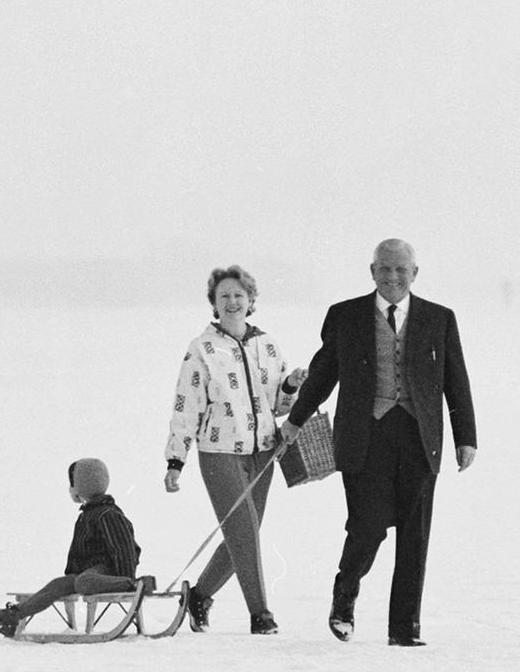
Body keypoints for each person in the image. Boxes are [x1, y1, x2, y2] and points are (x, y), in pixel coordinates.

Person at [284, 238, 477, 646]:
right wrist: (296, 421)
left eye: (401, 270)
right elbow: (322, 375)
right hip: (364, 436)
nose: (392, 277)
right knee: (367, 527)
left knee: (414, 535)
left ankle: (404, 630)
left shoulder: (440, 319)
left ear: (414, 274)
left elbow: (455, 382)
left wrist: (466, 437)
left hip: (421, 437)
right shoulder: (345, 315)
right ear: (372, 272)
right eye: (384, 269)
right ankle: (345, 593)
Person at [162, 264, 298, 634]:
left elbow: (279, 406)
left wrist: (291, 386)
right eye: (224, 296)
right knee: (244, 530)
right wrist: (176, 459)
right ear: (214, 304)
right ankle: (261, 615)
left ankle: (200, 595)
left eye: (239, 295)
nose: (233, 301)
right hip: (219, 451)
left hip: (265, 452)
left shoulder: (267, 344)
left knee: (243, 534)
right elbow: (186, 406)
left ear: (251, 300)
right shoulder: (202, 349)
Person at [0, 459, 143, 636]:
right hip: (89, 574)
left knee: (83, 581)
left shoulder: (107, 514)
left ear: (82, 486)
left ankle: (137, 585)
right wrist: (72, 573)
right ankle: (12, 616)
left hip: (109, 573)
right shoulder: (88, 514)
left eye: (73, 483)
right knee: (60, 583)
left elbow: (124, 547)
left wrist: (127, 578)